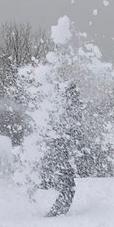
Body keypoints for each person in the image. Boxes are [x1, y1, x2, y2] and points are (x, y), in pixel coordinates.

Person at [40, 83, 81, 217]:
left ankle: (56, 212)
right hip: (57, 154)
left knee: (67, 185)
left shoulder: (58, 110)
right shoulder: (63, 112)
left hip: (57, 154)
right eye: (74, 95)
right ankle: (56, 213)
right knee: (68, 185)